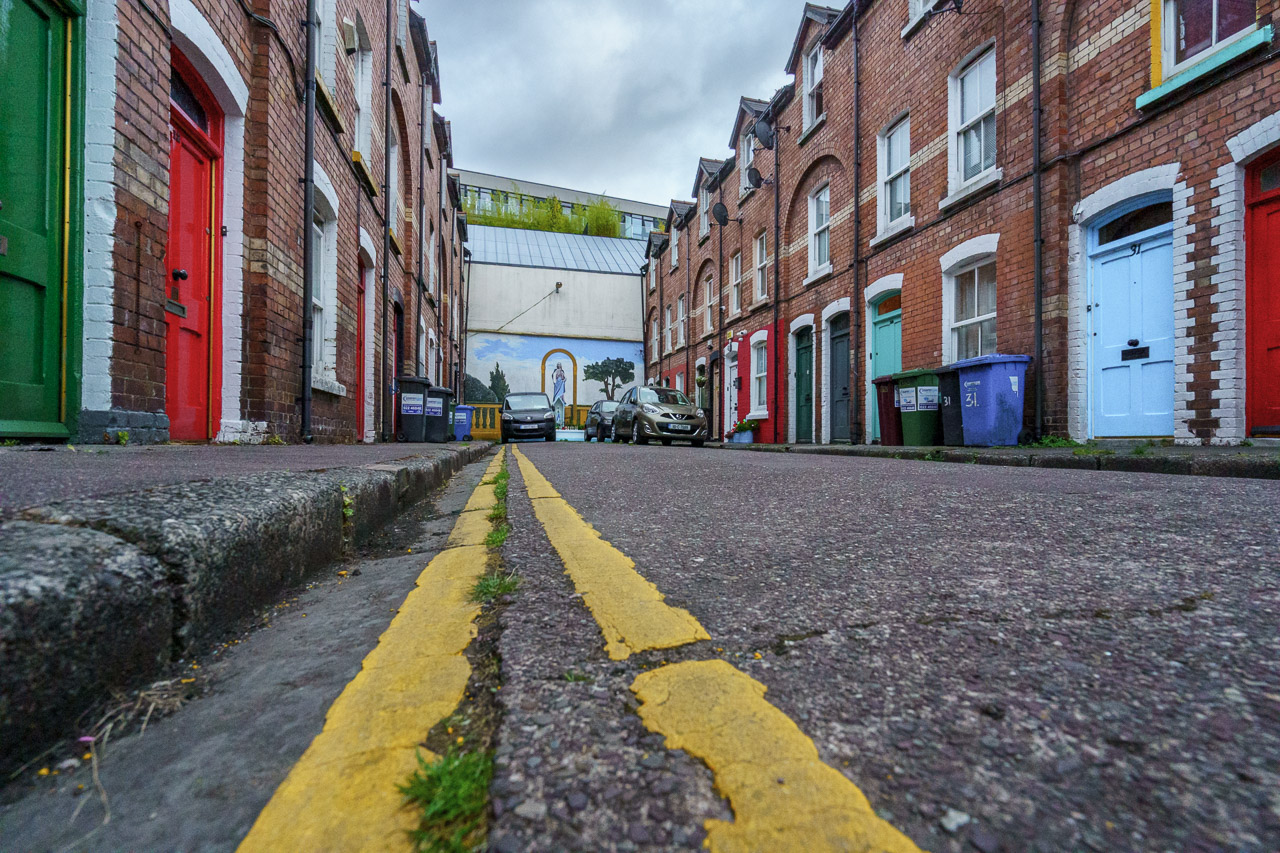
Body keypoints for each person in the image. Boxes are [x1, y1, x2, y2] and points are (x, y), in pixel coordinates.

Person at [552, 362, 567, 428]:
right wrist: (555, 380)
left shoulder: (562, 371)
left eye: (560, 365)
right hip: (557, 383)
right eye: (558, 365)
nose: (559, 366)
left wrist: (564, 379)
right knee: (556, 393)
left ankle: (562, 400)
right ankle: (556, 399)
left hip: (561, 383)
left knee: (561, 393)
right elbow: (553, 377)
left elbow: (564, 377)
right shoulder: (555, 371)